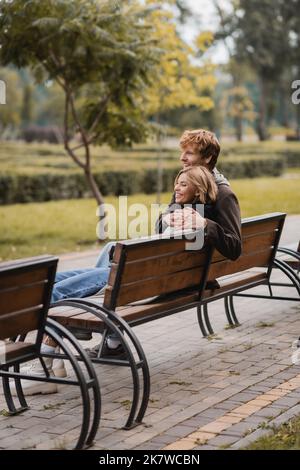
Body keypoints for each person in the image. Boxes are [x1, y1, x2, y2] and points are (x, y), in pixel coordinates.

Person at [14, 165, 219, 395]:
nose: (176, 187)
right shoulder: (201, 217)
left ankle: (44, 365)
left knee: (55, 293)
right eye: (177, 182)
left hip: (138, 284)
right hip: (146, 281)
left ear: (199, 189)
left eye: (183, 184)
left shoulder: (187, 218)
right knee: (66, 277)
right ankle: (58, 354)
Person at [156, 129, 242, 261]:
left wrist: (205, 224)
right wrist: (166, 219)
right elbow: (160, 228)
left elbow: (234, 248)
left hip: (195, 274)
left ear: (208, 158)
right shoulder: (185, 187)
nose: (182, 158)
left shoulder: (224, 194)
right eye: (182, 152)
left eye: (189, 153)